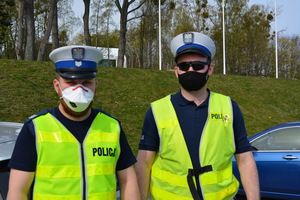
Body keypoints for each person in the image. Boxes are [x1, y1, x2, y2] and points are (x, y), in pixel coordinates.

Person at [135, 32, 260, 200]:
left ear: (210, 68)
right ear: (176, 71)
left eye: (198, 65)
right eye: (184, 66)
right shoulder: (157, 110)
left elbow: (245, 160)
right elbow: (143, 163)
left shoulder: (229, 108)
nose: (191, 70)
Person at [7, 45, 140, 200]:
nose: (79, 89)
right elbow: (17, 191)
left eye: (87, 82)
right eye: (71, 83)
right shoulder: (35, 129)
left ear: (95, 86)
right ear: (57, 86)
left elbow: (128, 181)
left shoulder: (112, 127)